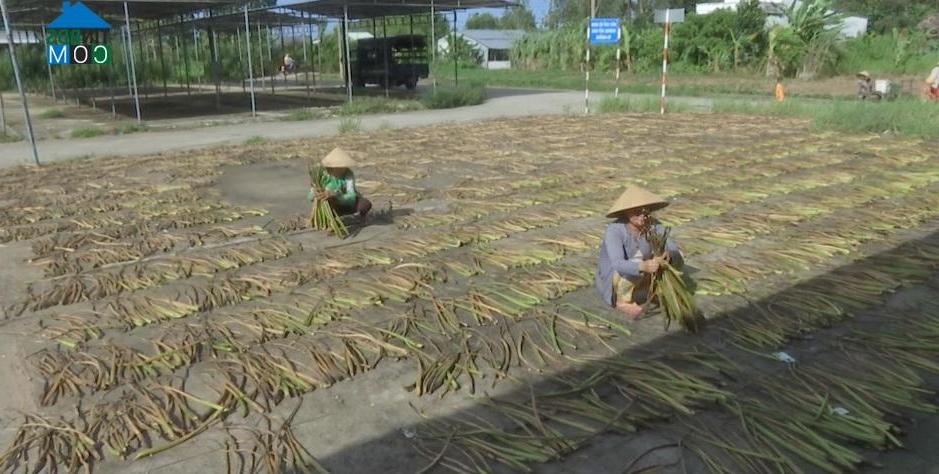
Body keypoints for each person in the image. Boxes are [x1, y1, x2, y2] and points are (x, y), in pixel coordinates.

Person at [595, 187, 684, 320]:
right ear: (626, 212)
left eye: (645, 212)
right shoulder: (615, 230)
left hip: (645, 266)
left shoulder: (654, 225)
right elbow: (617, 263)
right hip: (616, 273)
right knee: (635, 264)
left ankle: (651, 290)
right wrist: (642, 266)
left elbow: (673, 248)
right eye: (636, 213)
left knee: (676, 256)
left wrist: (668, 256)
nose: (642, 216)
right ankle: (621, 301)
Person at [307, 147, 372, 224]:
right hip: (331, 206)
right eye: (338, 166)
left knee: (365, 204)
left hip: (345, 202)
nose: (341, 169)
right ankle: (332, 219)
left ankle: (360, 217)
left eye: (343, 166)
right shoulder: (322, 175)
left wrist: (337, 196)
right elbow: (310, 197)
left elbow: (351, 196)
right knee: (329, 201)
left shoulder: (348, 174)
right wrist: (316, 193)